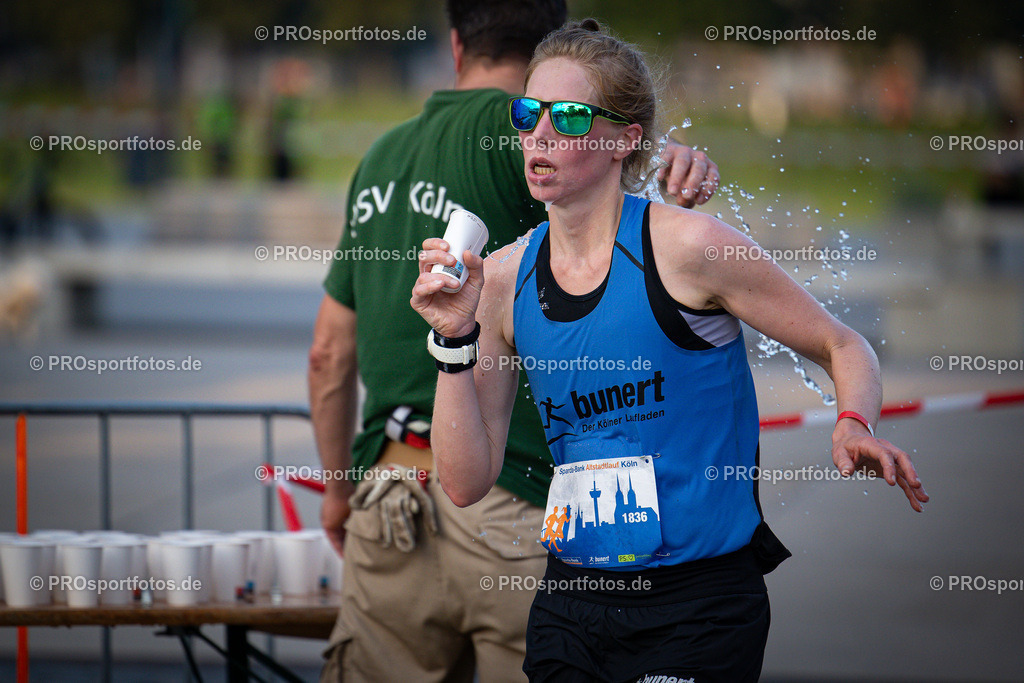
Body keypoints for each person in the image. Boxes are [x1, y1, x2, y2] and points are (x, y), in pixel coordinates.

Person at [412, 19, 929, 683]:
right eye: (527, 113)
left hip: (699, 606)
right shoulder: (505, 278)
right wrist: (453, 340)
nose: (539, 134)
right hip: (572, 602)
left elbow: (842, 342)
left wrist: (854, 421)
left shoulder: (689, 247)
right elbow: (463, 482)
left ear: (625, 139)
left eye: (568, 117)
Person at [308, 2, 722, 681]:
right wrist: (676, 164)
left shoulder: (382, 155)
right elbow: (634, 212)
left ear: (455, 45)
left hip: (388, 493)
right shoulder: (528, 135)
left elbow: (327, 353)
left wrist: (336, 488)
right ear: (545, 56)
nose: (538, 132)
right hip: (520, 500)